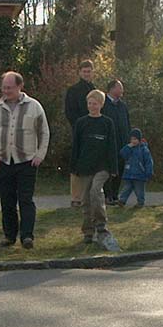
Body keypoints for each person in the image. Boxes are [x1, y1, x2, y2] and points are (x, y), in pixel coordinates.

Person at [0, 71, 50, 249]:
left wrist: (39, 155)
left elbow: (44, 132)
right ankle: (9, 236)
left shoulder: (34, 106)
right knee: (7, 201)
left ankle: (27, 236)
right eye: (4, 87)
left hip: (27, 161)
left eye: (9, 88)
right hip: (3, 162)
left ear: (20, 87)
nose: (6, 91)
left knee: (26, 200)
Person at [70, 89, 118, 244]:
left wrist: (114, 168)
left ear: (101, 104)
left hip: (102, 166)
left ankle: (101, 224)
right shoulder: (81, 123)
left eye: (95, 103)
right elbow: (76, 146)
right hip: (84, 166)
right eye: (89, 103)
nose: (92, 106)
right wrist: (74, 167)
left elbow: (112, 146)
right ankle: (88, 231)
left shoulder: (107, 123)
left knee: (96, 191)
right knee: (86, 200)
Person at [64, 60, 95, 207]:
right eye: (84, 71)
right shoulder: (73, 90)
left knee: (91, 163)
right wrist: (79, 128)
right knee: (77, 164)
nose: (86, 74)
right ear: (79, 72)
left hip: (94, 131)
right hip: (79, 131)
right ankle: (76, 197)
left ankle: (88, 195)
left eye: (89, 71)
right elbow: (70, 112)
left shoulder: (94, 90)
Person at [102, 79, 130, 205]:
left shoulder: (123, 106)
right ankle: (107, 195)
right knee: (108, 170)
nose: (122, 90)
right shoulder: (104, 104)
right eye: (120, 87)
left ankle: (115, 194)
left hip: (122, 144)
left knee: (119, 169)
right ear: (112, 89)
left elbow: (127, 124)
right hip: (108, 144)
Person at [118, 128, 154, 208]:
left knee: (139, 190)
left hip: (140, 174)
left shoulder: (144, 150)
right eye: (132, 139)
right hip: (129, 173)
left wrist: (149, 172)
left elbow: (149, 161)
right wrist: (128, 146)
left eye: (135, 139)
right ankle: (122, 201)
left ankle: (140, 202)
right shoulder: (129, 148)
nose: (133, 141)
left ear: (139, 139)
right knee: (126, 189)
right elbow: (122, 154)